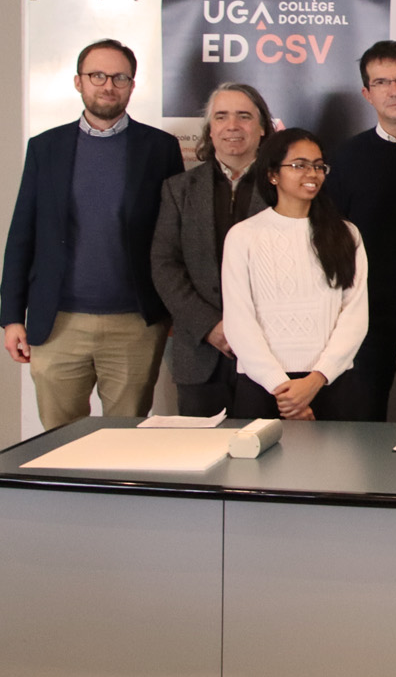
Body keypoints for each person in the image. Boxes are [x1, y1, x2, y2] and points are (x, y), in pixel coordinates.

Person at [1, 39, 184, 429]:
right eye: (97, 75)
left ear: (132, 85)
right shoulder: (45, 148)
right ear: (78, 82)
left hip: (135, 324)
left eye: (119, 77)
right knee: (59, 441)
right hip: (57, 323)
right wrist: (11, 317)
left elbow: (172, 237)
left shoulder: (160, 148)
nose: (108, 85)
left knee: (125, 442)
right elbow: (22, 235)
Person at [222, 128, 368, 420]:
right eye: (299, 165)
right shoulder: (243, 236)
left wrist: (314, 381)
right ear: (273, 174)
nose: (311, 173)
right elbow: (239, 321)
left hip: (331, 383)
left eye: (317, 166)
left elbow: (355, 315)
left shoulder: (346, 234)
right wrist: (286, 392)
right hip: (264, 386)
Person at [151, 82, 276, 416]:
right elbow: (165, 265)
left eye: (244, 116)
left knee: (270, 455)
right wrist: (210, 327)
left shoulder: (285, 189)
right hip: (200, 351)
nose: (232, 126)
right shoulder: (179, 189)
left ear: (263, 127)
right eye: (221, 117)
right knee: (199, 457)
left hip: (272, 353)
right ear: (210, 129)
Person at [329, 41, 396, 421]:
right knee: (361, 425)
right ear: (366, 93)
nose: (395, 90)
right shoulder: (346, 158)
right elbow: (331, 241)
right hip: (365, 315)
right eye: (382, 82)